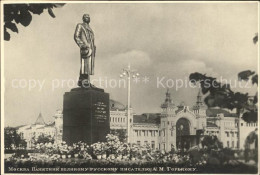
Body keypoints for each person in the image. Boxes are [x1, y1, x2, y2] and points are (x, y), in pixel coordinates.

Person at [74, 14, 96, 87]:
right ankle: (83, 81)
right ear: (83, 18)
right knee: (84, 65)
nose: (87, 18)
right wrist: (82, 45)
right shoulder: (80, 25)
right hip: (85, 48)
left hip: (91, 49)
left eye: (89, 17)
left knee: (88, 66)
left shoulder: (89, 28)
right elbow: (76, 36)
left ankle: (85, 81)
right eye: (86, 17)